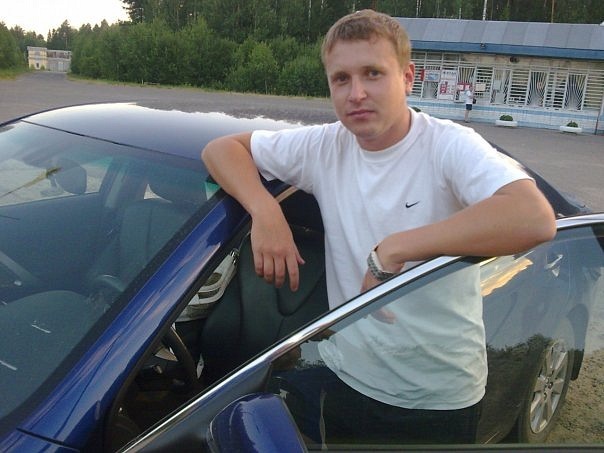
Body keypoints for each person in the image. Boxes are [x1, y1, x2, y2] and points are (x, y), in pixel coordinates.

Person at [202, 9, 556, 445]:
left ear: (407, 78)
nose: (357, 93)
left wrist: (395, 249)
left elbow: (533, 217)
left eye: (373, 73)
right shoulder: (325, 145)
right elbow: (221, 149)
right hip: (343, 375)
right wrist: (265, 211)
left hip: (434, 399)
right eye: (341, 79)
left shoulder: (447, 145)